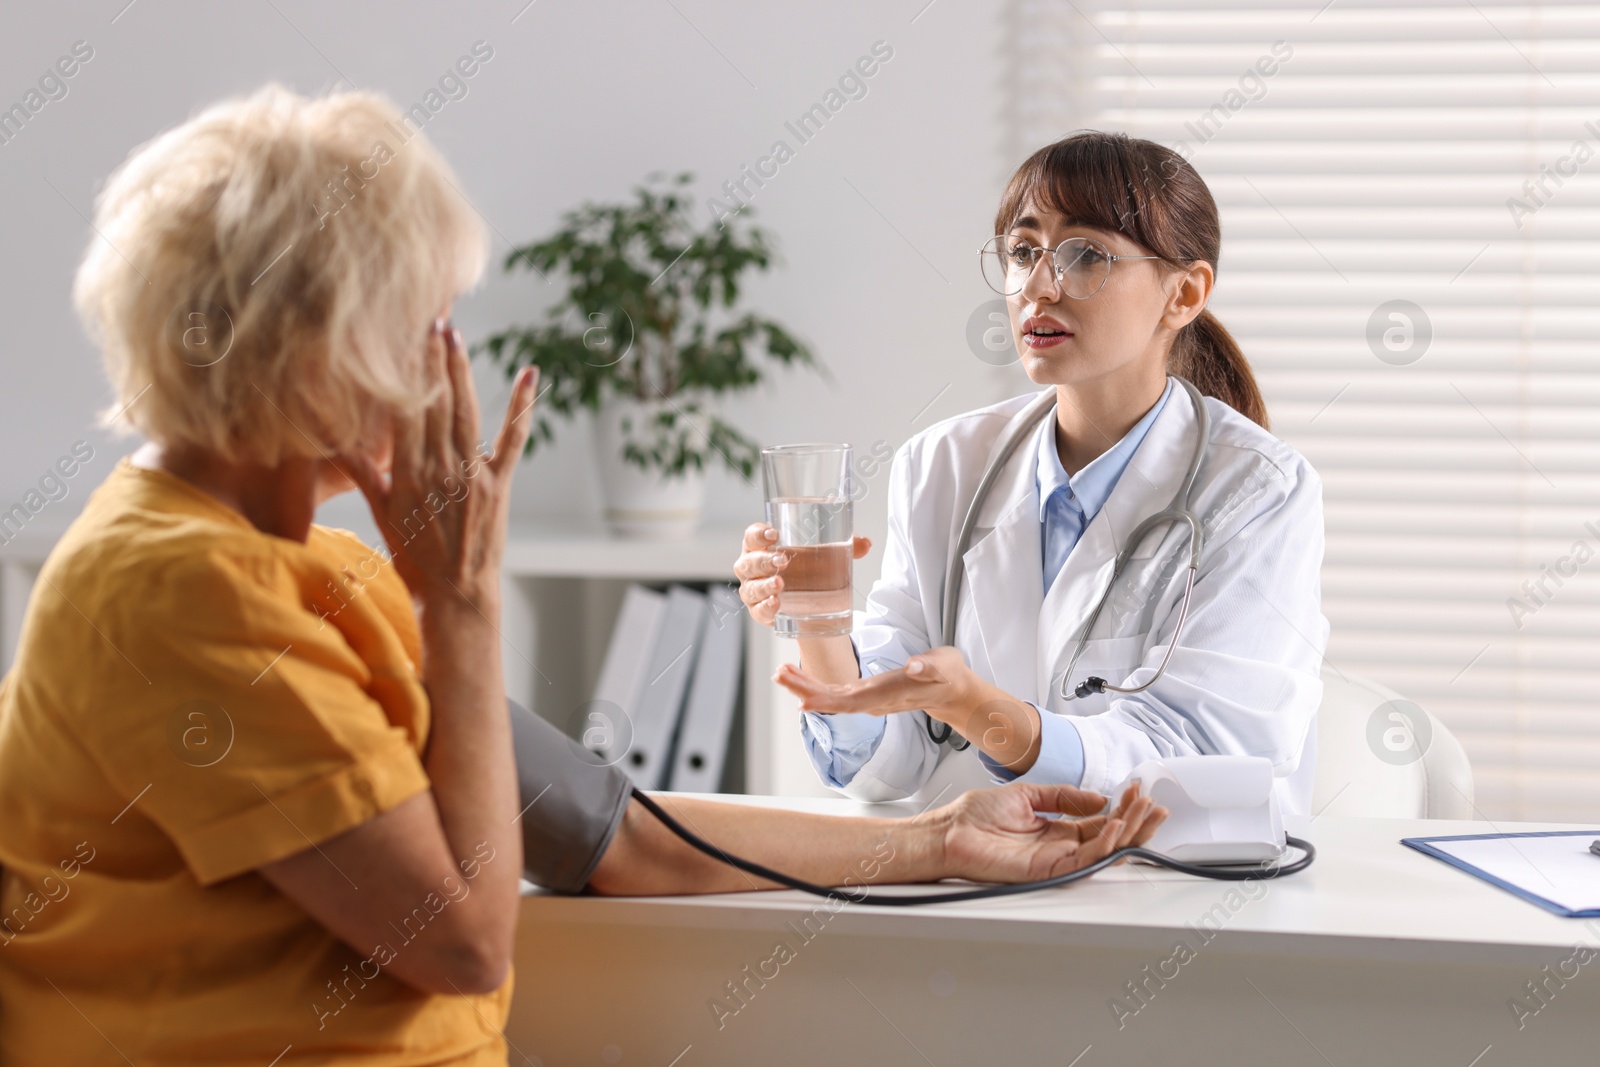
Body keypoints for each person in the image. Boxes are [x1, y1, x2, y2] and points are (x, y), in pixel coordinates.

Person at [0, 87, 1164, 1066]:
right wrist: (455, 606)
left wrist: (939, 838)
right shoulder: (177, 588)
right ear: (313, 345)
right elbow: (458, 937)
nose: (442, 364)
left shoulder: (318, 565)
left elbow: (605, 831)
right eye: (425, 323)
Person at [734, 131, 1328, 813]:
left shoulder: (1260, 492)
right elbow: (889, 768)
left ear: (1184, 294)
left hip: (1171, 890)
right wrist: (819, 622)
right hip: (980, 883)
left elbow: (1208, 761)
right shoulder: (943, 465)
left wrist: (986, 712)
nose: (1039, 286)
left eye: (1085, 255)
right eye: (1023, 252)